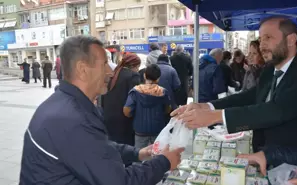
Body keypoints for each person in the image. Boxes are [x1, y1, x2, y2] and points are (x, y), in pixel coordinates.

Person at [20, 35, 184, 185]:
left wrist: (138, 153)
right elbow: (118, 181)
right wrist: (164, 162)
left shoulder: (65, 104)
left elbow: (98, 149)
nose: (111, 72)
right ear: (83, 69)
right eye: (104, 64)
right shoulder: (71, 120)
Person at [172, 16, 297, 153]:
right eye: (261, 39)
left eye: (268, 38)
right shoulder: (271, 68)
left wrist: (215, 116)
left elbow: (278, 109)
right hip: (269, 156)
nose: (262, 45)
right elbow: (251, 96)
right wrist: (207, 106)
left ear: (291, 39)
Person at [124, 64, 172, 149]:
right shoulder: (163, 92)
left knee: (139, 156)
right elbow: (168, 109)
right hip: (157, 130)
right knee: (157, 155)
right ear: (158, 78)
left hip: (140, 130)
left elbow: (127, 110)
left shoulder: (135, 92)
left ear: (144, 75)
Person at [102, 53, 141, 146]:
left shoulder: (113, 73)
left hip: (108, 117)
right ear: (133, 65)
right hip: (124, 121)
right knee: (126, 151)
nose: (138, 70)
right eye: (137, 67)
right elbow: (135, 100)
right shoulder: (133, 76)